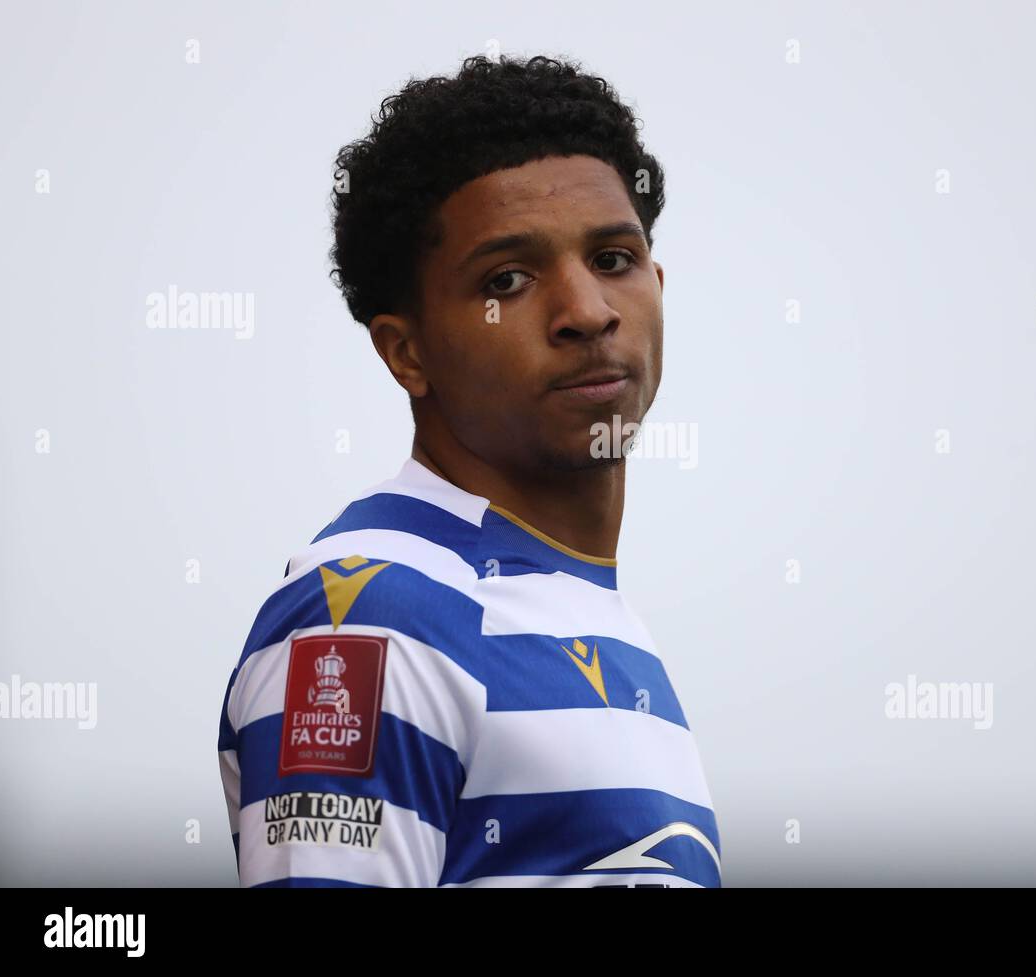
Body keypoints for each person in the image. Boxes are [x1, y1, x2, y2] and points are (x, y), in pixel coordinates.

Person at [216, 53, 721, 887]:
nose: (588, 311)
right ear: (406, 352)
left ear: (657, 285)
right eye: (509, 279)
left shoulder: (601, 622)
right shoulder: (370, 612)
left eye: (613, 259)